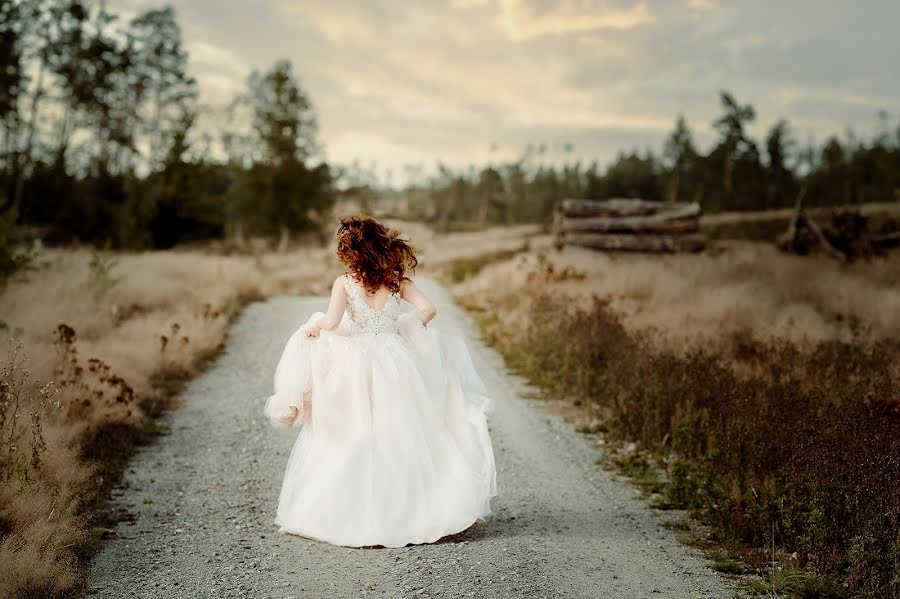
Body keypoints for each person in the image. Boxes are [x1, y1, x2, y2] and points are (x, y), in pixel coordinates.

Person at [264, 215, 497, 548]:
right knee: (405, 430)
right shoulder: (396, 282)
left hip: (355, 364)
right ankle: (416, 508)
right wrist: (404, 326)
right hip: (394, 360)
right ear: (381, 248)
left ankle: (357, 512)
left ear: (351, 253)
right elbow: (429, 310)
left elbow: (331, 321)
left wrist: (316, 329)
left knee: (356, 430)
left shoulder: (344, 283)